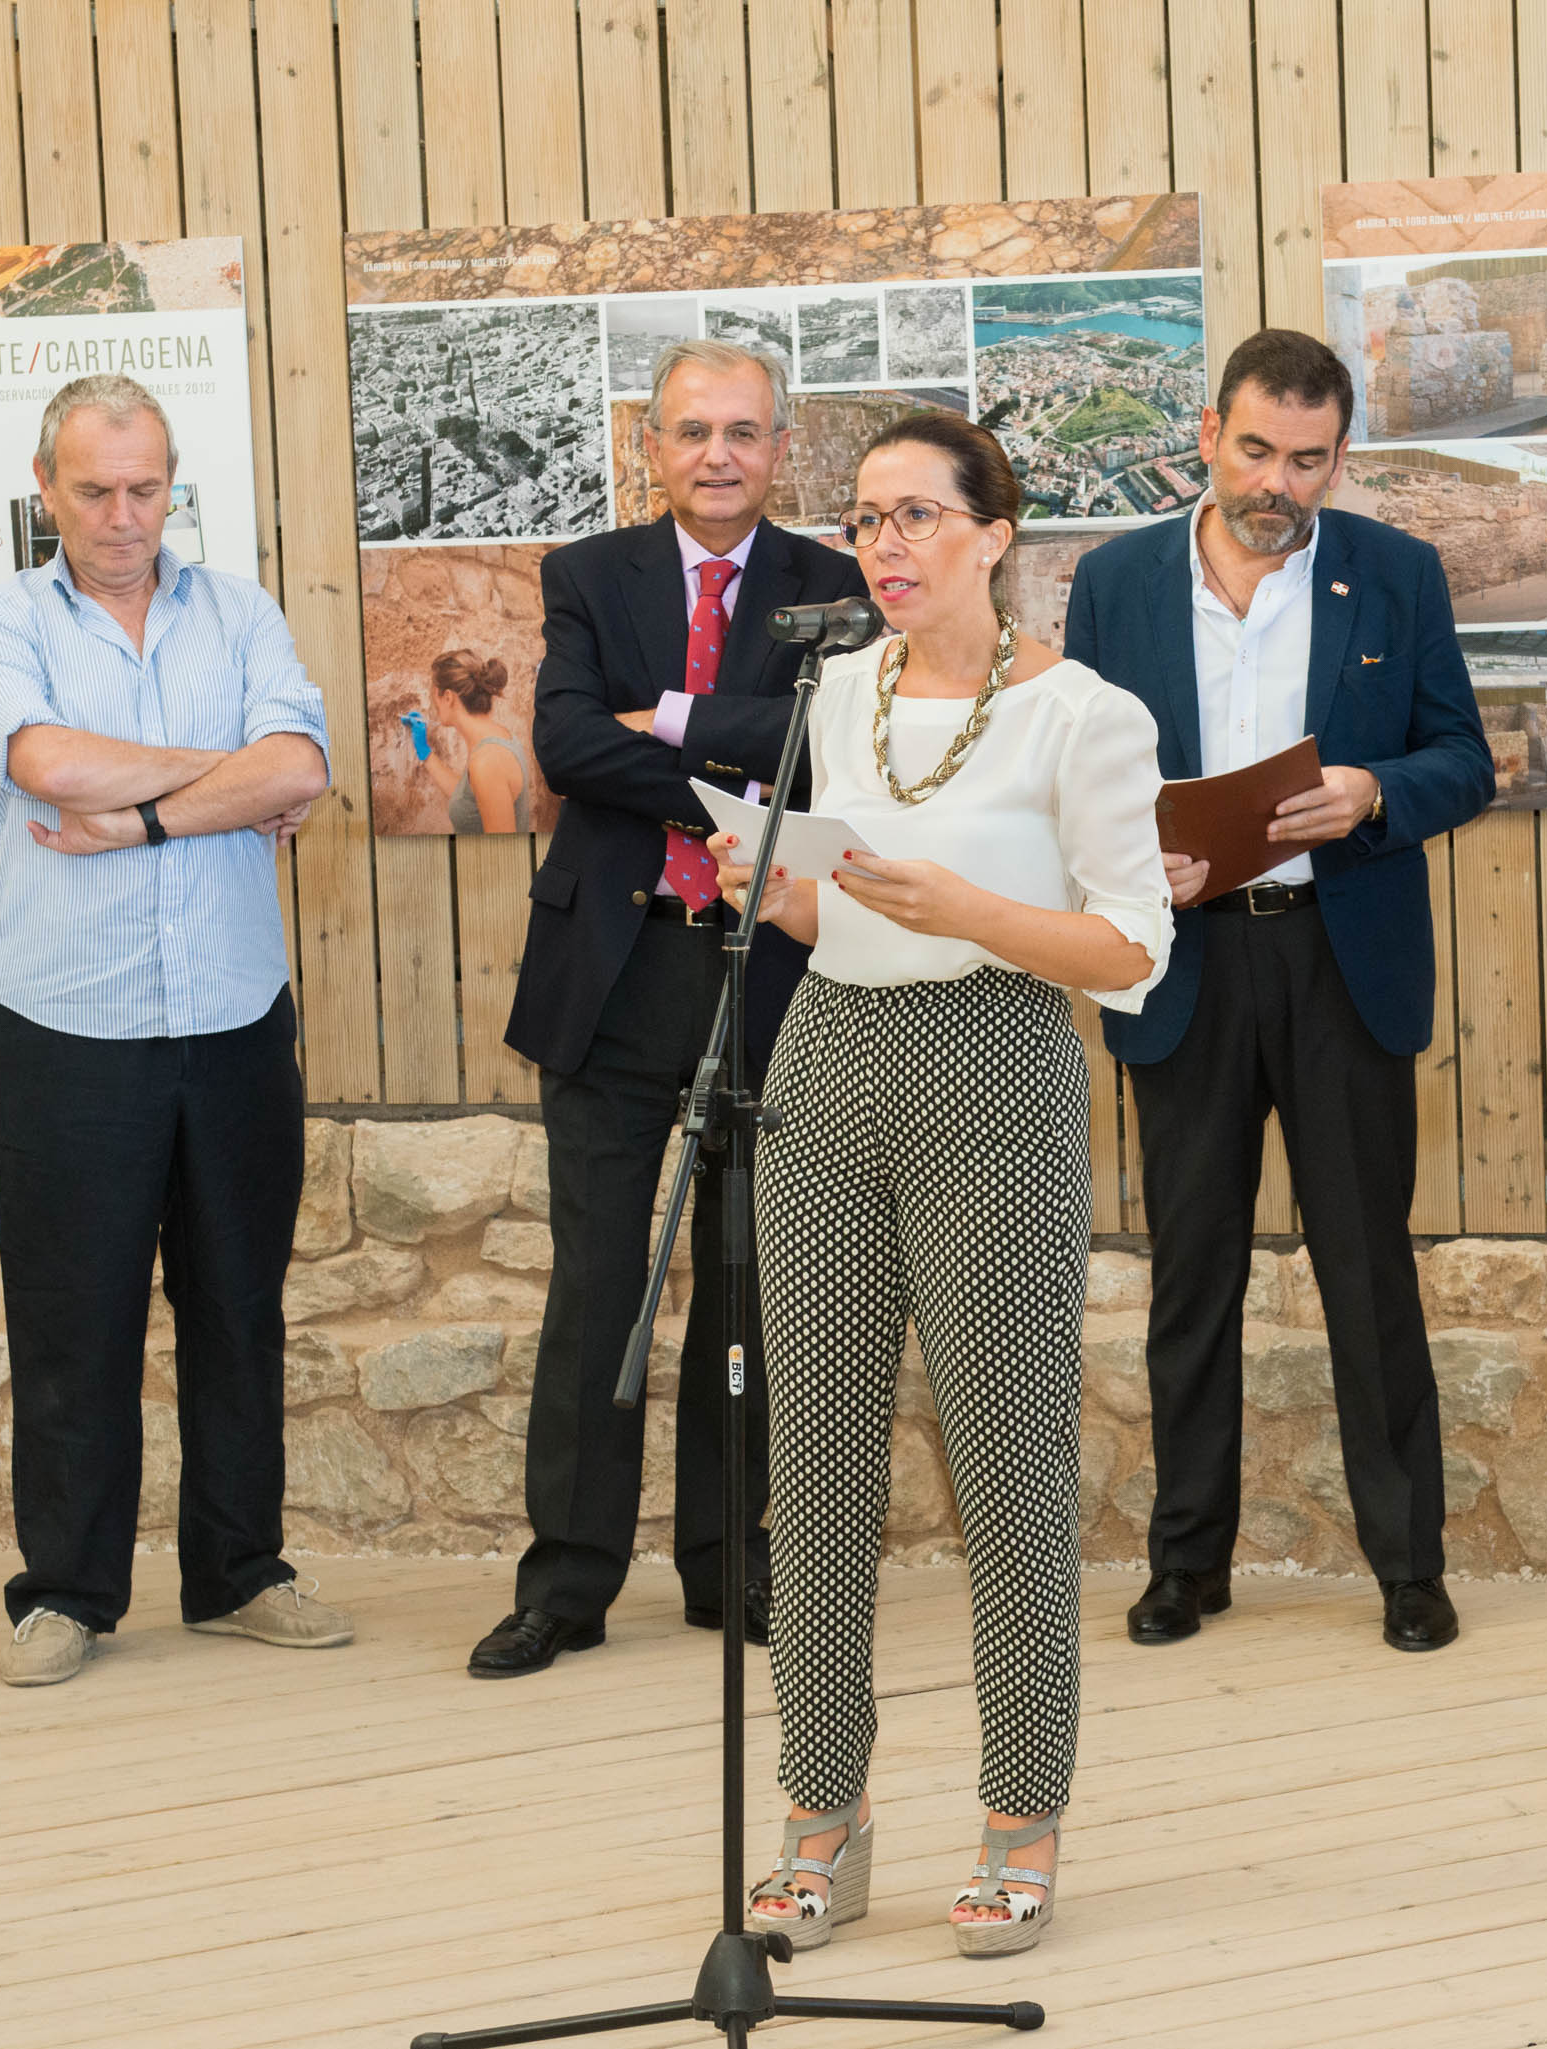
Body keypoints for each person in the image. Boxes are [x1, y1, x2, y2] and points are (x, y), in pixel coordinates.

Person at [717, 412, 1168, 1958]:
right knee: (821, 1473)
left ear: (996, 535)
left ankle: (1020, 1819)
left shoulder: (1086, 715)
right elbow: (830, 915)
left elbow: (1128, 950)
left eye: (917, 517)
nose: (885, 545)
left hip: (998, 1075)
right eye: (864, 520)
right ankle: (820, 1822)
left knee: (1007, 1471)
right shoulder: (829, 696)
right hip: (828, 1067)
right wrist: (768, 892)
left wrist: (973, 905)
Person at [1061, 328, 1494, 1656]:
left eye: (1310, 461)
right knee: (1192, 1273)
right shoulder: (1115, 582)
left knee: (1369, 1271)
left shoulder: (1396, 575)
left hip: (1339, 958)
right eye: (1257, 451)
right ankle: (1187, 1560)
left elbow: (1463, 761)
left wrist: (1374, 793)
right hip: (1183, 963)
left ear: (1339, 459)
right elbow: (1073, 779)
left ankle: (1409, 1565)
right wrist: (1139, 858)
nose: (1280, 484)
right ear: (1208, 433)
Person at [477, 341, 870, 1678]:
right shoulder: (590, 575)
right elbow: (568, 744)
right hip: (617, 975)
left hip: (773, 972)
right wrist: (732, 758)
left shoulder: (835, 584)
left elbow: (836, 747)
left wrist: (678, 719)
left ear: (781, 450)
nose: (718, 454)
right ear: (650, 445)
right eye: (693, 430)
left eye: (744, 432)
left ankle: (730, 1565)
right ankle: (568, 1582)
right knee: (598, 1290)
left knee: (753, 1294)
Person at [0, 372, 341, 1688]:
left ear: (171, 484)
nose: (122, 516)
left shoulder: (240, 611)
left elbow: (301, 768)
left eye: (144, 487)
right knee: (76, 1320)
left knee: (238, 1308)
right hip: (68, 1031)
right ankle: (66, 1590)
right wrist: (219, 770)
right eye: (93, 489)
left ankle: (240, 1572)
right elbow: (50, 766)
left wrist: (157, 809)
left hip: (234, 1020)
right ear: (46, 487)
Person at [424, 648, 536, 834]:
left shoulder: (487, 761)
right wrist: (425, 754)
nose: (432, 702)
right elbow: (469, 800)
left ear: (448, 697)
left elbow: (502, 852)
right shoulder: (495, 737)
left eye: (434, 693)